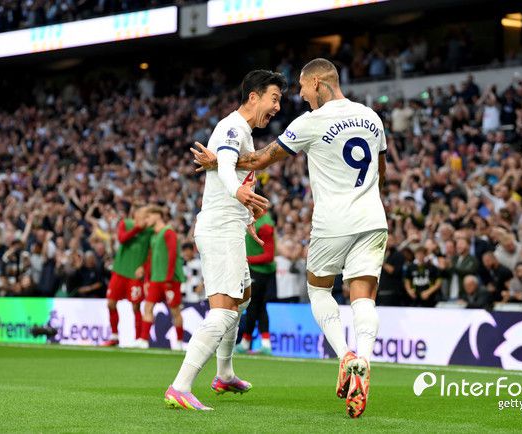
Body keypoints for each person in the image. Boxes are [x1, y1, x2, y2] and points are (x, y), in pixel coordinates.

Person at [193, 58, 387, 418]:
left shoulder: (311, 121)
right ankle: (365, 357)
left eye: (302, 86)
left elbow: (259, 160)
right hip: (374, 218)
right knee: (363, 296)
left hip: (333, 222)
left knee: (319, 290)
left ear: (317, 83)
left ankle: (345, 356)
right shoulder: (372, 117)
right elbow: (382, 172)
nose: (300, 95)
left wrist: (217, 161)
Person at [165, 70, 285, 411]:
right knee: (224, 311)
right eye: (274, 99)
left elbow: (224, 171)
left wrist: (245, 217)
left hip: (228, 226)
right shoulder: (233, 127)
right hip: (219, 229)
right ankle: (180, 386)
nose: (277, 107)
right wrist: (240, 194)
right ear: (253, 97)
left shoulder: (243, 131)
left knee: (243, 298)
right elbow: (228, 166)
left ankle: (225, 374)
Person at [135, 206, 185, 350]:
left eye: (148, 217)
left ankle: (179, 342)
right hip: (156, 279)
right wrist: (147, 277)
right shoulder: (154, 235)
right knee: (148, 306)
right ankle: (144, 340)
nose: (146, 221)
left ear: (157, 215)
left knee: (175, 311)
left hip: (170, 280)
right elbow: (152, 259)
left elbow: (172, 256)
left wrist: (169, 278)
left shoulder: (169, 232)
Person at [102, 206, 152, 347]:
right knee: (111, 303)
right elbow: (122, 239)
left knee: (136, 306)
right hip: (119, 271)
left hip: (135, 275)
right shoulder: (125, 224)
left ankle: (139, 339)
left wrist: (144, 267)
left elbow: (151, 253)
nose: (144, 217)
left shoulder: (150, 231)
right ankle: (114, 336)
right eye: (141, 214)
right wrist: (137, 228)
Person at [236, 205, 276, 355]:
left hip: (260, 272)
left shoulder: (264, 225)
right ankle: (260, 342)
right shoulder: (256, 220)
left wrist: (247, 259)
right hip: (257, 271)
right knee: (257, 307)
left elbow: (269, 255)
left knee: (254, 306)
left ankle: (249, 343)